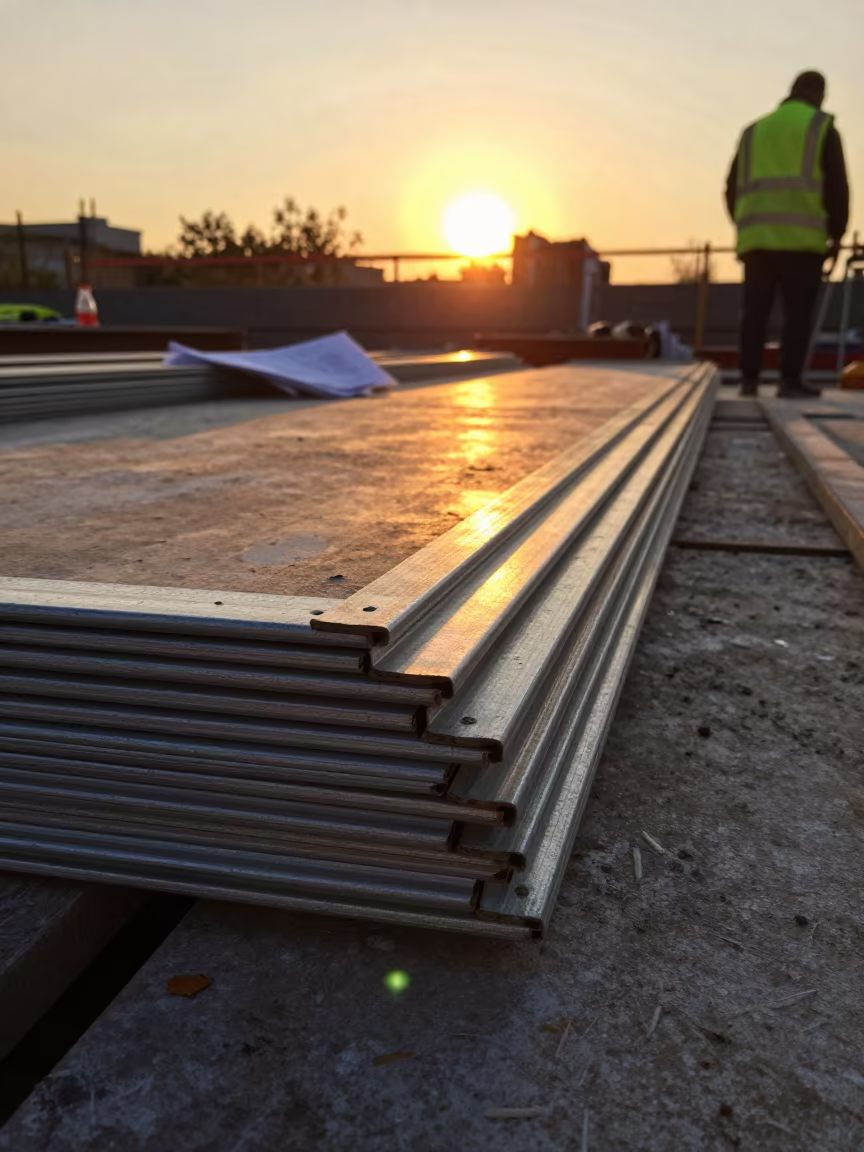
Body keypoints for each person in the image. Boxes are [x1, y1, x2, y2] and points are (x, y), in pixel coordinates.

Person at [725, 70, 849, 398]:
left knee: (754, 312)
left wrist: (744, 224)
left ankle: (748, 380)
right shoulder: (821, 127)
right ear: (819, 94)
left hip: (757, 240)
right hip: (802, 241)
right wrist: (837, 233)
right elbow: (836, 186)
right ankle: (789, 380)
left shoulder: (754, 131)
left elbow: (731, 186)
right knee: (798, 315)